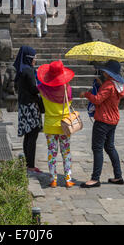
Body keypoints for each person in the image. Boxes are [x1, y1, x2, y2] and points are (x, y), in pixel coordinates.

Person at [79, 60, 124, 188]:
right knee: (110, 147)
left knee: (97, 148)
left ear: (109, 73)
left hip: (103, 120)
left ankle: (95, 179)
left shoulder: (108, 85)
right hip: (113, 119)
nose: (103, 72)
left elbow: (97, 100)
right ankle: (118, 176)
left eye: (105, 70)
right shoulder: (118, 84)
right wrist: (102, 84)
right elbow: (109, 96)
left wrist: (86, 94)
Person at [37, 60, 76, 188]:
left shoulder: (42, 89)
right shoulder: (67, 88)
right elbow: (69, 104)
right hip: (64, 125)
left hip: (50, 125)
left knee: (51, 152)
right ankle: (68, 179)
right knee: (66, 152)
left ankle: (53, 178)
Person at [14, 46, 43, 173]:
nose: (35, 60)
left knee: (28, 134)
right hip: (31, 106)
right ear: (29, 58)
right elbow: (33, 89)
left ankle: (28, 163)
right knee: (33, 135)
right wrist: (44, 86)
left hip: (23, 106)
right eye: (34, 57)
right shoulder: (29, 71)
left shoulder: (21, 70)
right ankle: (30, 165)